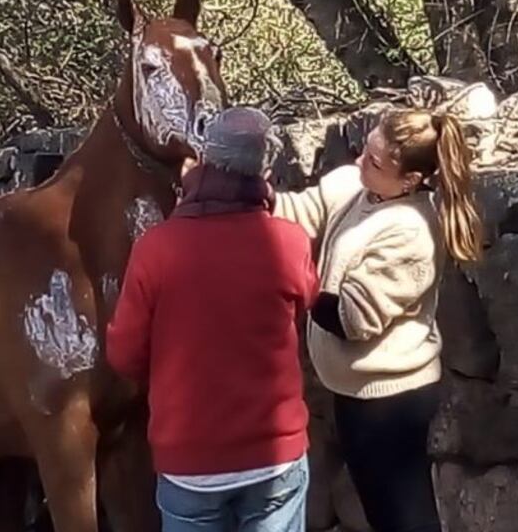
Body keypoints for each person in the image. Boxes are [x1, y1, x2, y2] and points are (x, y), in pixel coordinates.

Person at [106, 106, 319, 532]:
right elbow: (305, 304)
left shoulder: (156, 249)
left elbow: (124, 354)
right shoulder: (289, 242)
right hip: (273, 458)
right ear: (265, 172)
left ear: (203, 161)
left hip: (190, 459)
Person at [272, 110, 483, 532]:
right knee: (380, 508)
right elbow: (297, 210)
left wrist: (297, 280)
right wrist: (239, 195)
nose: (360, 164)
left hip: (391, 401)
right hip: (354, 392)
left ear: (410, 181)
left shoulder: (410, 231)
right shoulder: (358, 185)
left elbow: (353, 319)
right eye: (365, 150)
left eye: (376, 162)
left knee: (403, 517)